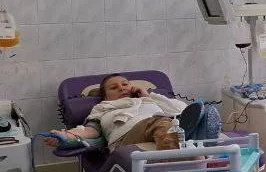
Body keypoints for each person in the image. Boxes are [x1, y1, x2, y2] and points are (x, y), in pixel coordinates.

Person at [41, 74, 200, 151]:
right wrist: (64, 135)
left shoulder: (148, 100)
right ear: (105, 95)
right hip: (125, 139)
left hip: (167, 125)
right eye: (114, 87)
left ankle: (197, 150)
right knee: (162, 122)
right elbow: (90, 131)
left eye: (125, 84)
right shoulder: (103, 108)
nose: (122, 88)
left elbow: (182, 110)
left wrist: (148, 96)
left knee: (184, 121)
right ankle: (172, 164)